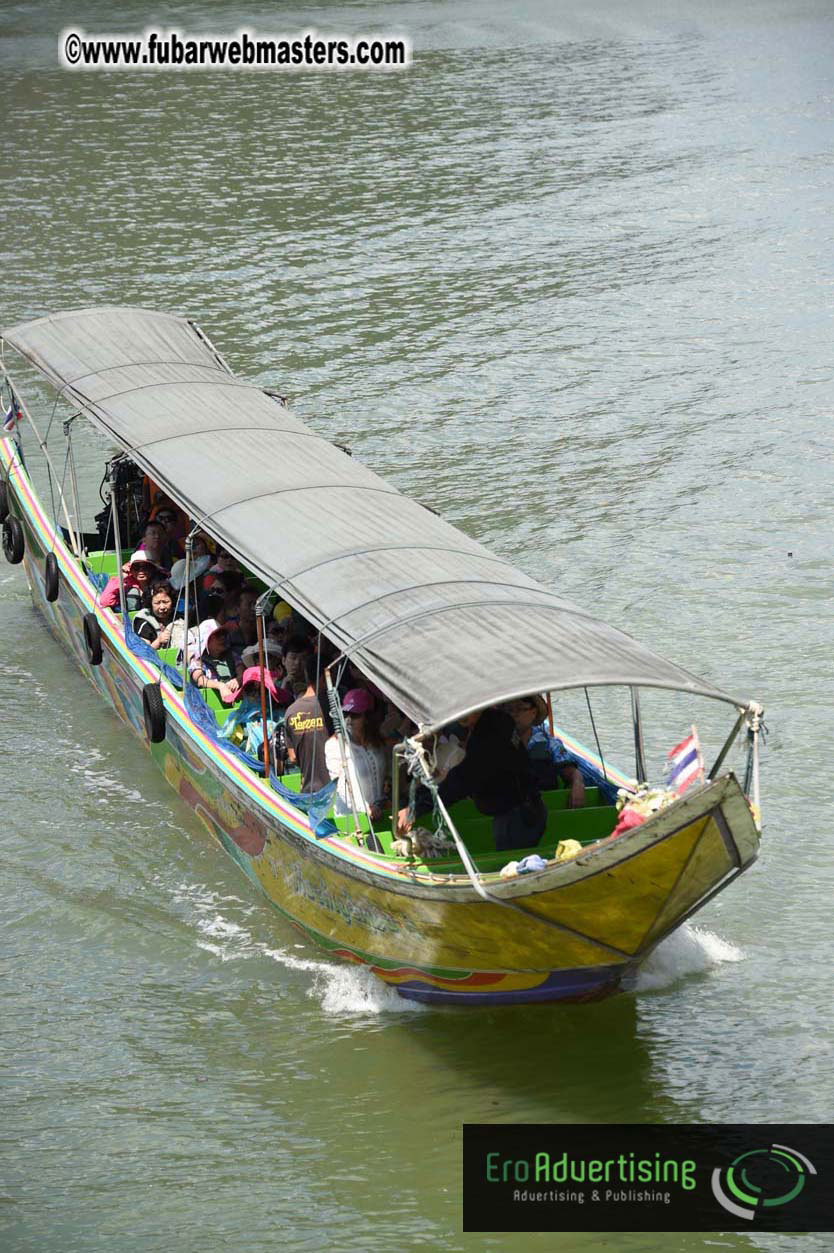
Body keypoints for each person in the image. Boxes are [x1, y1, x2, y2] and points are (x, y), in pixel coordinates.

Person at [399, 705, 547, 852]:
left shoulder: (491, 733)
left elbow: (462, 779)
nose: (461, 714)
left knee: (512, 863)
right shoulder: (497, 721)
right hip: (522, 809)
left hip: (517, 816)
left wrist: (415, 808)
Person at [509, 694, 619, 806]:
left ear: (533, 712)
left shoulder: (548, 742)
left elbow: (571, 771)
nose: (514, 715)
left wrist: (578, 784)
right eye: (510, 710)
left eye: (519, 709)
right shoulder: (498, 743)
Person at [325, 688, 389, 821]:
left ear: (368, 717)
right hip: (351, 819)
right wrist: (365, 808)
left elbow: (385, 773)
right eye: (346, 714)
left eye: (355, 715)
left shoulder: (377, 741)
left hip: (379, 813)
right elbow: (340, 785)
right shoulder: (334, 745)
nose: (349, 719)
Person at [283, 651, 330, 793]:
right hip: (335, 791)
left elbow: (293, 757)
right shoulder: (330, 706)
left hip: (309, 791)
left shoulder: (291, 711)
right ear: (324, 677)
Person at [189, 619, 243, 704]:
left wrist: (238, 680)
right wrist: (220, 686)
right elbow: (200, 680)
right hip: (206, 704)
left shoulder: (232, 655)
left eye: (224, 634)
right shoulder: (197, 660)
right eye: (218, 635)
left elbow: (242, 671)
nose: (222, 638)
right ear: (207, 639)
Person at [133, 581, 179, 650]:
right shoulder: (144, 622)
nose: (162, 607)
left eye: (166, 602)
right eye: (157, 603)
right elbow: (143, 651)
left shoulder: (180, 617)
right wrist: (158, 641)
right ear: (150, 604)